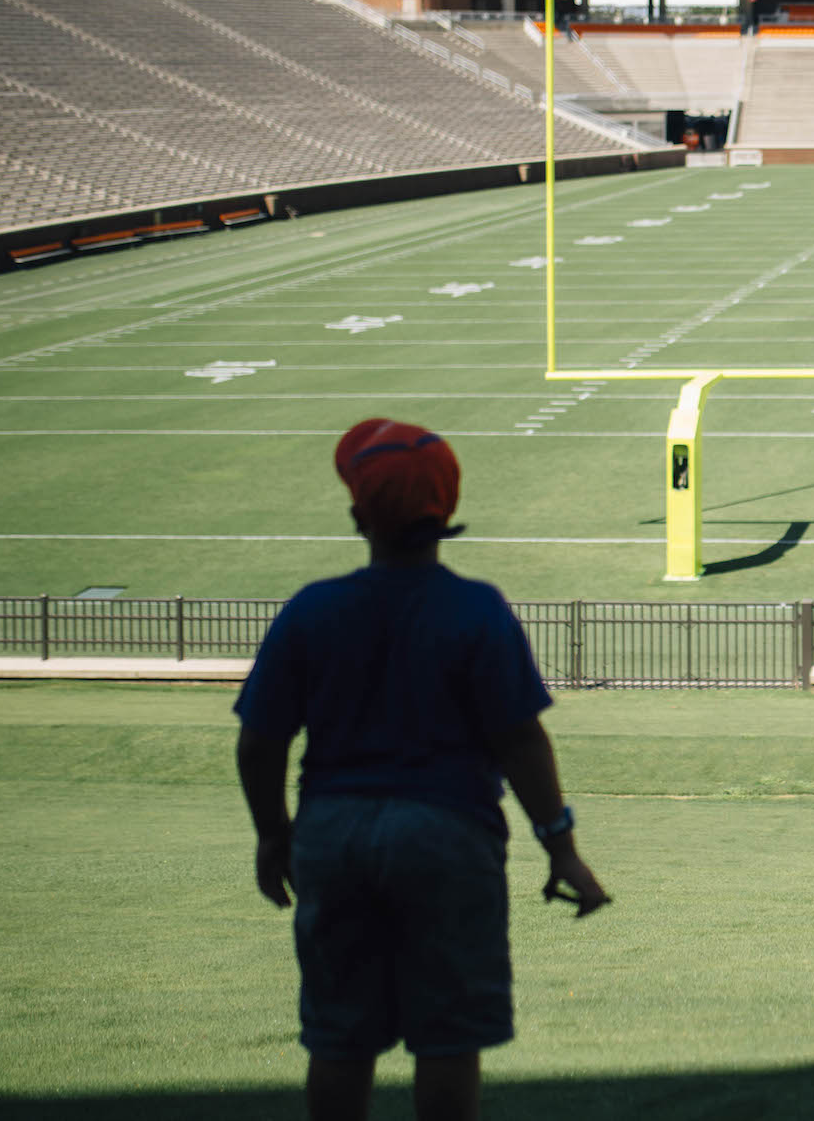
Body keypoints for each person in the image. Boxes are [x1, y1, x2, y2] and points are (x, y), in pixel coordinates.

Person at [234, 417, 609, 1121]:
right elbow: (521, 742)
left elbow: (259, 742)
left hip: (333, 831)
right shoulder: (476, 610)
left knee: (340, 1038)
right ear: (447, 513)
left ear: (357, 516)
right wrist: (562, 846)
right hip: (448, 835)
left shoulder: (313, 610)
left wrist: (273, 835)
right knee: (447, 1039)